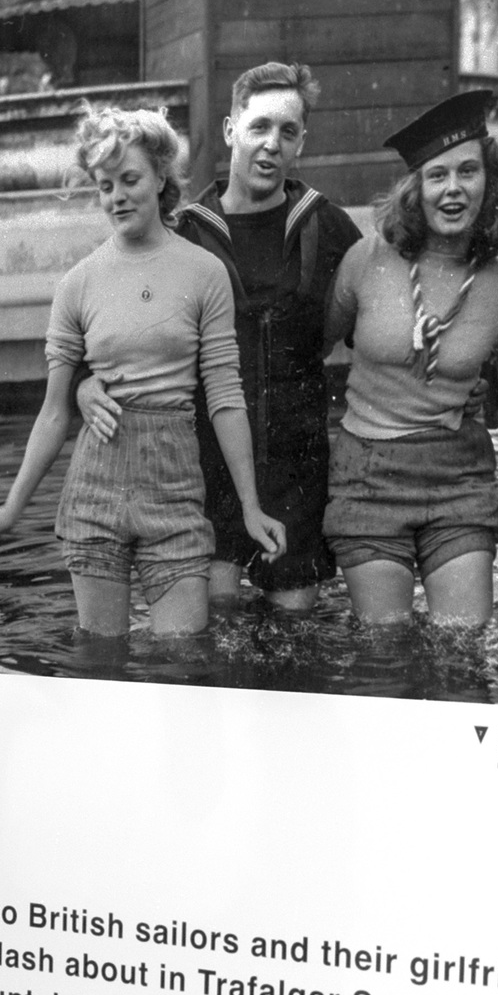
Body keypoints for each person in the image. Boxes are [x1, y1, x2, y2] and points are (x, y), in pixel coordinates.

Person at [0, 105, 283, 637]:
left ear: (161, 176)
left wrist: (251, 507)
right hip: (95, 486)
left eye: (130, 179)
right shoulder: (77, 283)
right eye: (104, 185)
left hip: (176, 487)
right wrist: (9, 508)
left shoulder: (205, 272)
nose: (116, 196)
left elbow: (226, 396)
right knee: (99, 661)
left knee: (183, 661)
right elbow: (53, 413)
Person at [322, 91, 498, 625]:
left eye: (468, 172)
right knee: (385, 651)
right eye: (437, 176)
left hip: (457, 473)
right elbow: (311, 352)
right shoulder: (366, 260)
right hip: (368, 473)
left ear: (491, 180)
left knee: (463, 649)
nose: (454, 189)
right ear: (416, 189)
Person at [168, 61, 364, 613]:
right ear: (231, 131)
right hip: (206, 467)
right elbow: (127, 318)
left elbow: (378, 312)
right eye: (258, 127)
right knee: (214, 625)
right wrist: (86, 384)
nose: (271, 144)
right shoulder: (185, 232)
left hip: (295, 465)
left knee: (295, 627)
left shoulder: (326, 227)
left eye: (287, 132)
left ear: (302, 142)